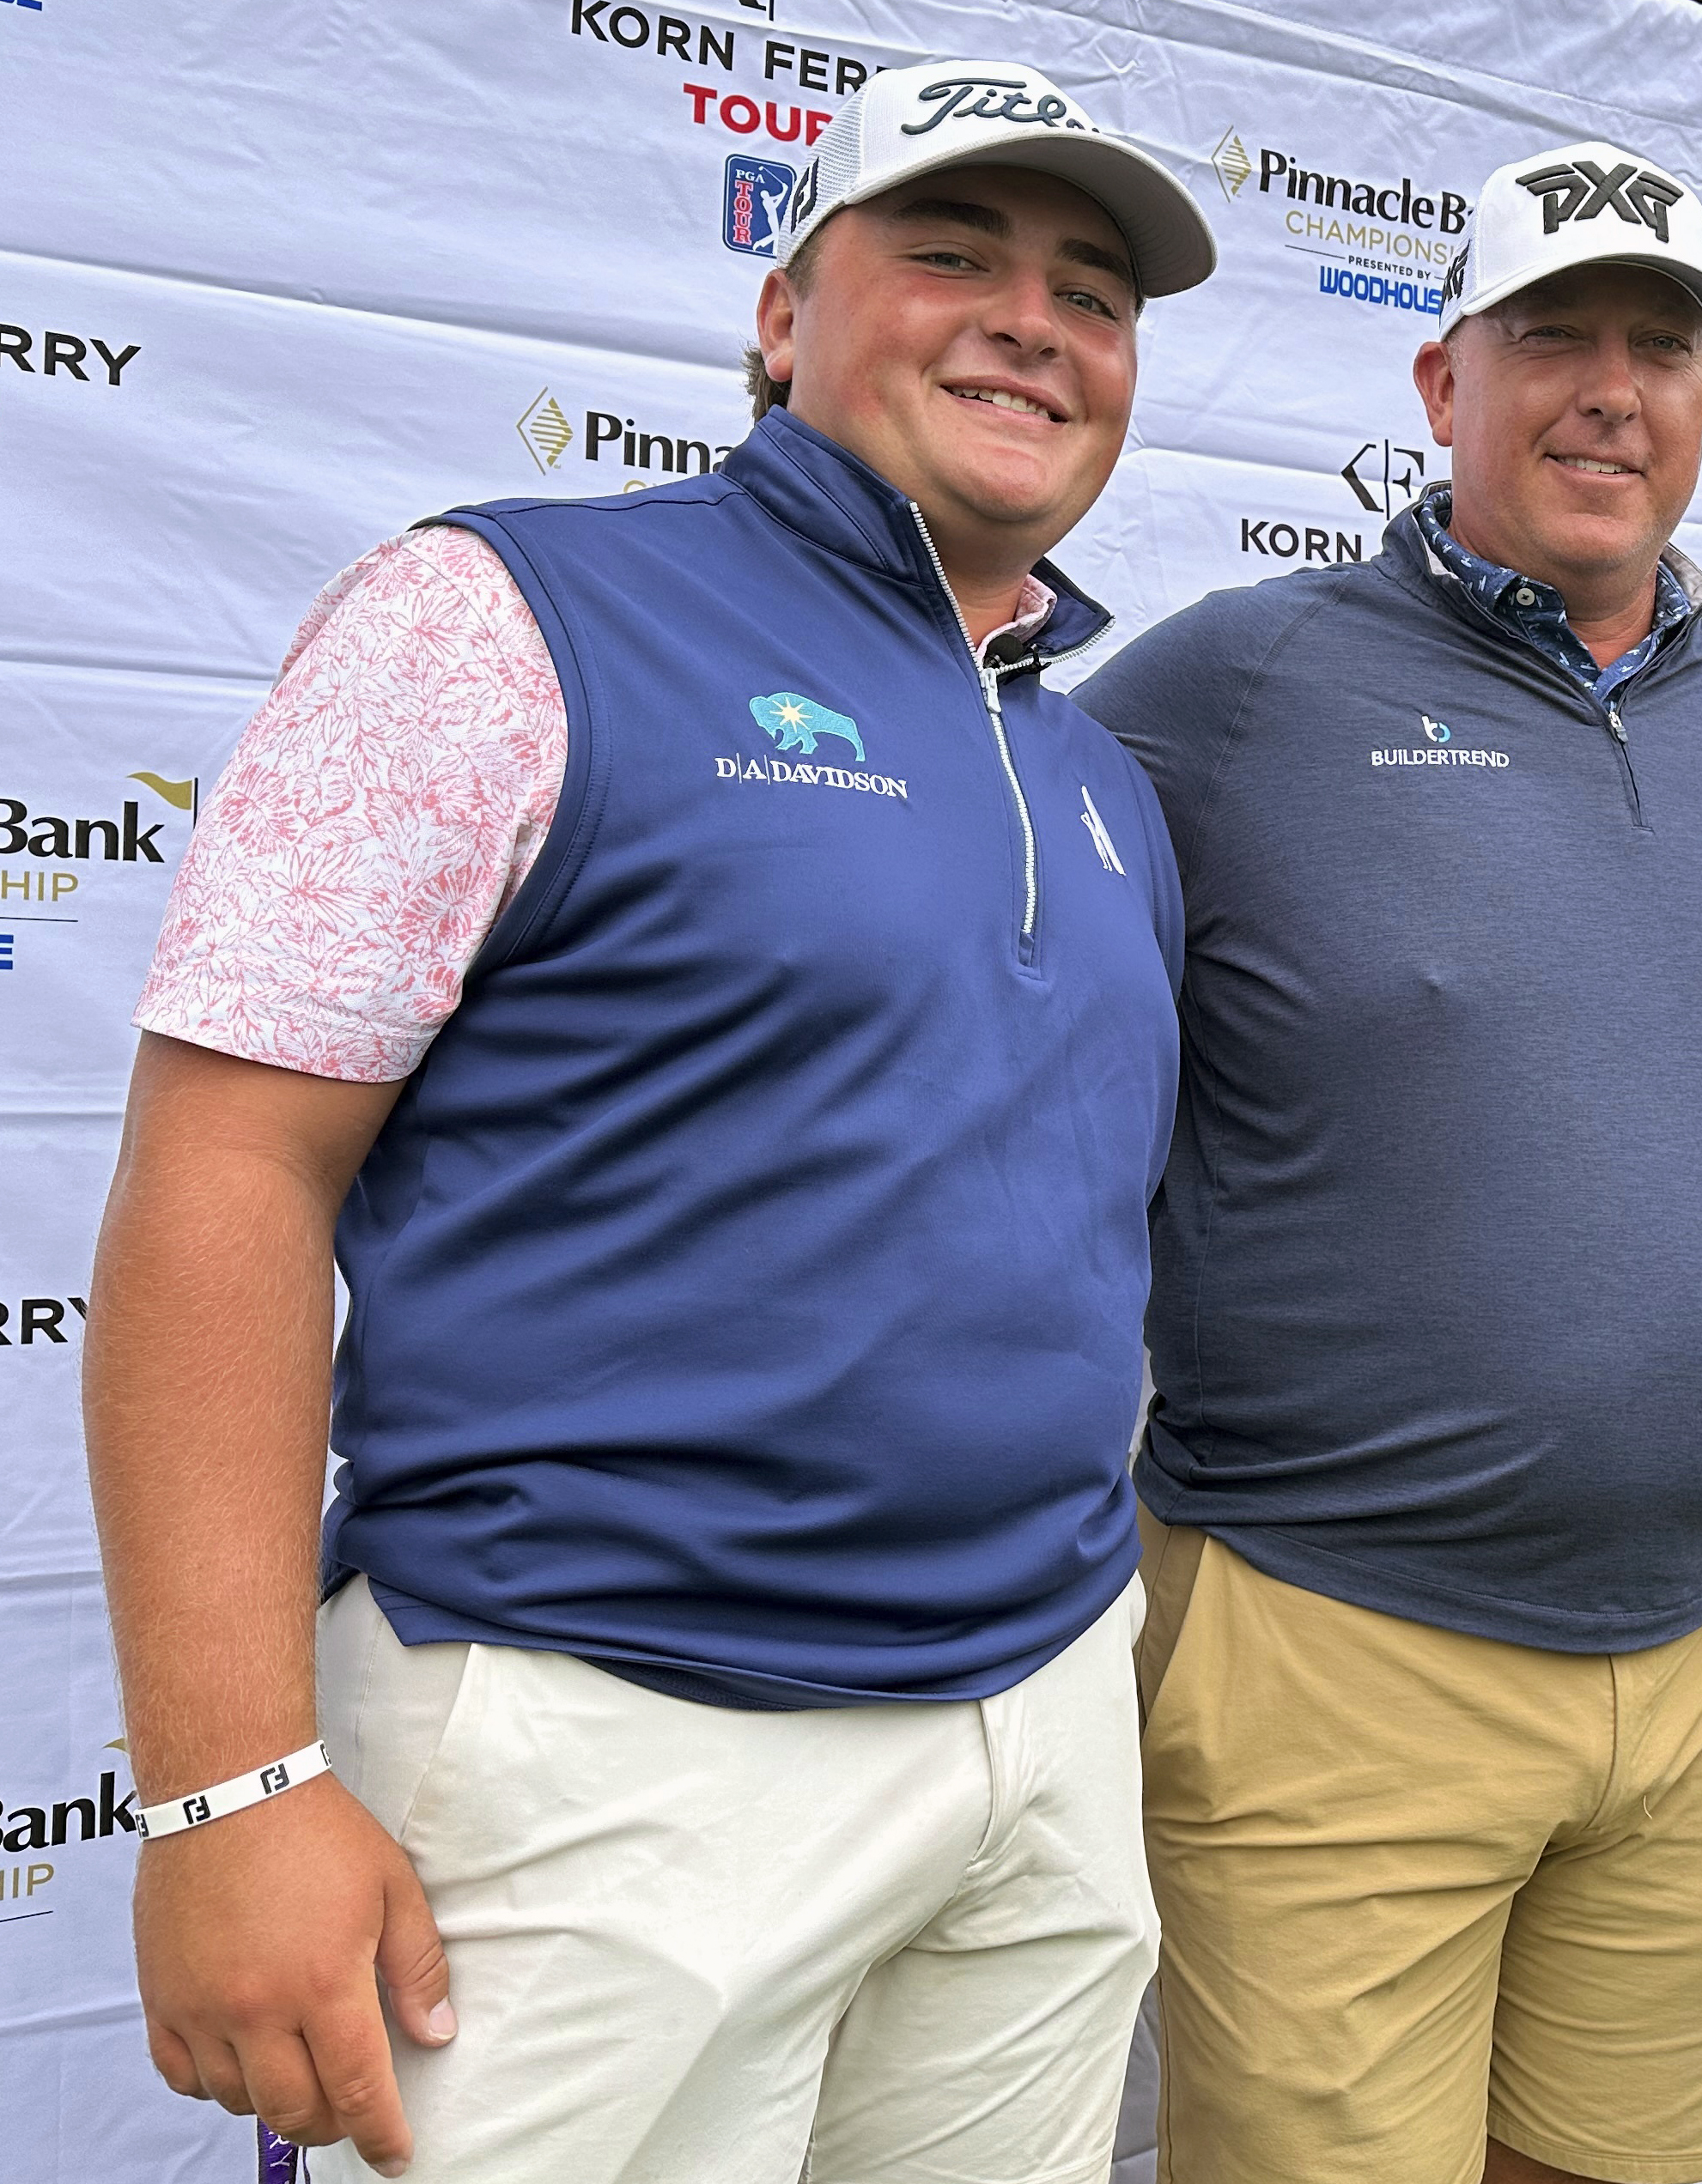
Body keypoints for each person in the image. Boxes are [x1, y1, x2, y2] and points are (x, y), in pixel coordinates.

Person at [83, 58, 1213, 2184]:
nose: (1032, 322)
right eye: (952, 252)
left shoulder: (1099, 769)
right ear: (781, 316)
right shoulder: (496, 618)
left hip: (1044, 1735)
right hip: (600, 1753)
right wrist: (225, 1793)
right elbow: (225, 1175)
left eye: (1093, 289)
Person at [1072, 139, 1702, 2184]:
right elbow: (987, 965)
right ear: (1442, 385)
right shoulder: (1236, 685)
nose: (1612, 390)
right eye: (1552, 337)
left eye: (1660, 347)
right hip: (1340, 1643)